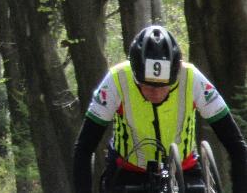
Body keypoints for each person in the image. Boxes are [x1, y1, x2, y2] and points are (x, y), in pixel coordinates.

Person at [73, 25, 247, 192]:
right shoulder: (117, 79)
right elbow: (84, 147)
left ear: (176, 71)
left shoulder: (192, 78)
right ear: (134, 74)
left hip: (183, 170)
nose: (155, 93)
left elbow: (236, 145)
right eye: (147, 86)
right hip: (128, 171)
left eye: (164, 86)